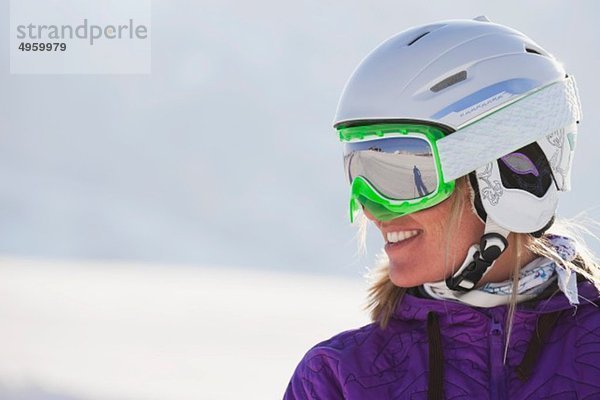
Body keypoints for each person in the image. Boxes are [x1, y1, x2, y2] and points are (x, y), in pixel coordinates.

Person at [283, 17, 600, 399]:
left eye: (405, 176)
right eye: (360, 170)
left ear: (506, 172)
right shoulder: (338, 377)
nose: (373, 211)